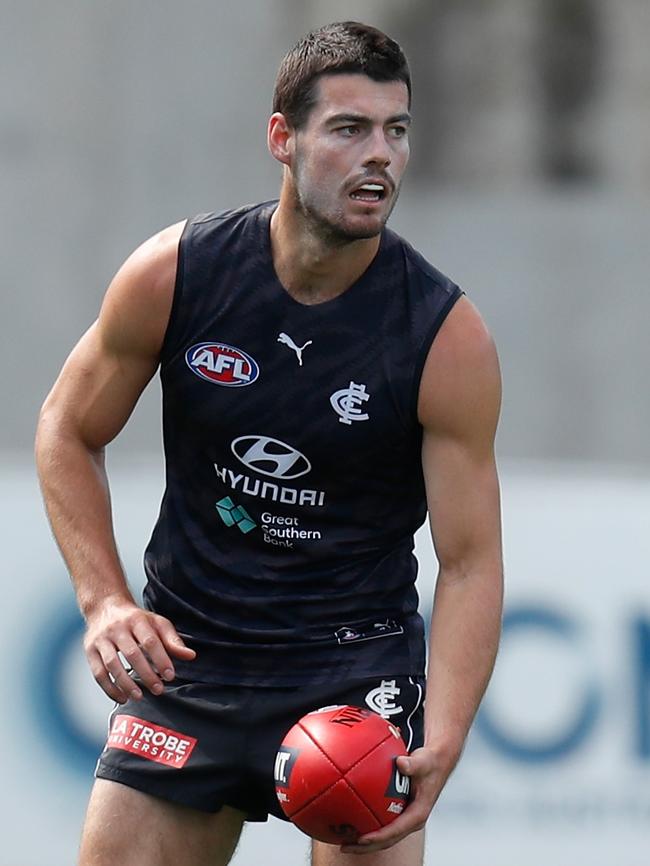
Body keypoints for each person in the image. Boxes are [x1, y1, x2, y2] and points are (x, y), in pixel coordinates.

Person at [35, 20, 503, 866]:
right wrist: (105, 601)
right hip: (191, 662)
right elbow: (68, 429)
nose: (381, 157)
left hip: (353, 679)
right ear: (282, 139)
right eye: (349, 129)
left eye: (397, 132)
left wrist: (447, 735)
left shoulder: (444, 336)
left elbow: (469, 561)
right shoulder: (177, 274)